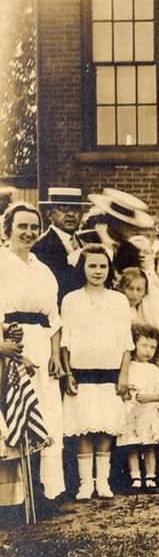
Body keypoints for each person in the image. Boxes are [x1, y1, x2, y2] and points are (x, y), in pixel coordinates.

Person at [0, 204, 66, 511]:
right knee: (15, 414)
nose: (28, 232)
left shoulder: (43, 269)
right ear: (8, 228)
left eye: (33, 227)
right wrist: (3, 347)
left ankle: (45, 491)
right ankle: (13, 497)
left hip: (41, 347)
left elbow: (53, 318)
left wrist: (55, 356)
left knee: (46, 413)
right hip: (10, 348)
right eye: (22, 226)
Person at [60, 244, 132, 500]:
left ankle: (102, 482)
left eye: (103, 266)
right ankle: (85, 484)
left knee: (104, 427)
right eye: (92, 265)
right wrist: (67, 373)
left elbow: (126, 342)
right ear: (83, 268)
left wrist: (124, 374)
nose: (98, 271)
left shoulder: (119, 300)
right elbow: (65, 341)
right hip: (81, 372)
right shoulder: (71, 300)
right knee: (84, 426)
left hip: (110, 373)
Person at [117, 324, 159, 492]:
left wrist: (149, 397)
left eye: (152, 347)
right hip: (131, 412)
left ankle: (151, 476)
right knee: (132, 445)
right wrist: (128, 394)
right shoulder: (127, 368)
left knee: (149, 445)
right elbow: (122, 389)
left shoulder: (153, 369)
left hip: (148, 413)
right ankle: (135, 476)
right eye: (144, 346)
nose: (148, 351)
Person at [31, 186, 89, 302]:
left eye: (76, 209)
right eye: (63, 208)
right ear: (49, 213)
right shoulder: (40, 247)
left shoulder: (84, 244)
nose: (71, 214)